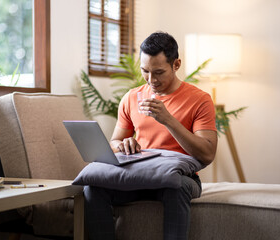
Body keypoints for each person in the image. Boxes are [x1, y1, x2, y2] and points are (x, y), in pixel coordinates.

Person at [84, 31, 218, 240]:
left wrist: (168, 119)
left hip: (178, 178)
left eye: (158, 72)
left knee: (177, 186)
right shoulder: (131, 98)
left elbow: (207, 153)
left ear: (176, 65)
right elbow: (113, 143)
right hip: (139, 176)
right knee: (94, 187)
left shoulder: (199, 100)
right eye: (145, 71)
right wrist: (123, 144)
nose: (151, 80)